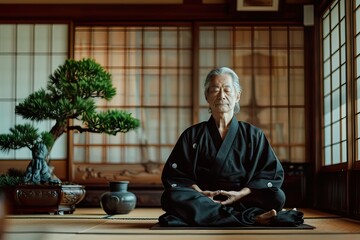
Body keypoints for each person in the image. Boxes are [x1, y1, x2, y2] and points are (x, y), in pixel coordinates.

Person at [159, 67, 304, 227]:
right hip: (203, 198)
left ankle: (213, 216)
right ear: (207, 96)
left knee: (277, 196)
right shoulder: (192, 135)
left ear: (237, 96)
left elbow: (270, 173)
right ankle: (251, 218)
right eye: (215, 90)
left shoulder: (253, 134)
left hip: (242, 198)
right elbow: (177, 175)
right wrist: (199, 192)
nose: (221, 96)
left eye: (227, 90)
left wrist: (240, 194)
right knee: (170, 196)